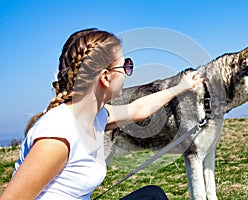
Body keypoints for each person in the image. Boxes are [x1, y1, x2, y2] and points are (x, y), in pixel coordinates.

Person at [0, 28, 204, 200]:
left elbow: (137, 110)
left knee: (152, 195)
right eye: (126, 65)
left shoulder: (96, 116)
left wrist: (182, 86)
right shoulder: (59, 134)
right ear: (105, 77)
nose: (128, 71)